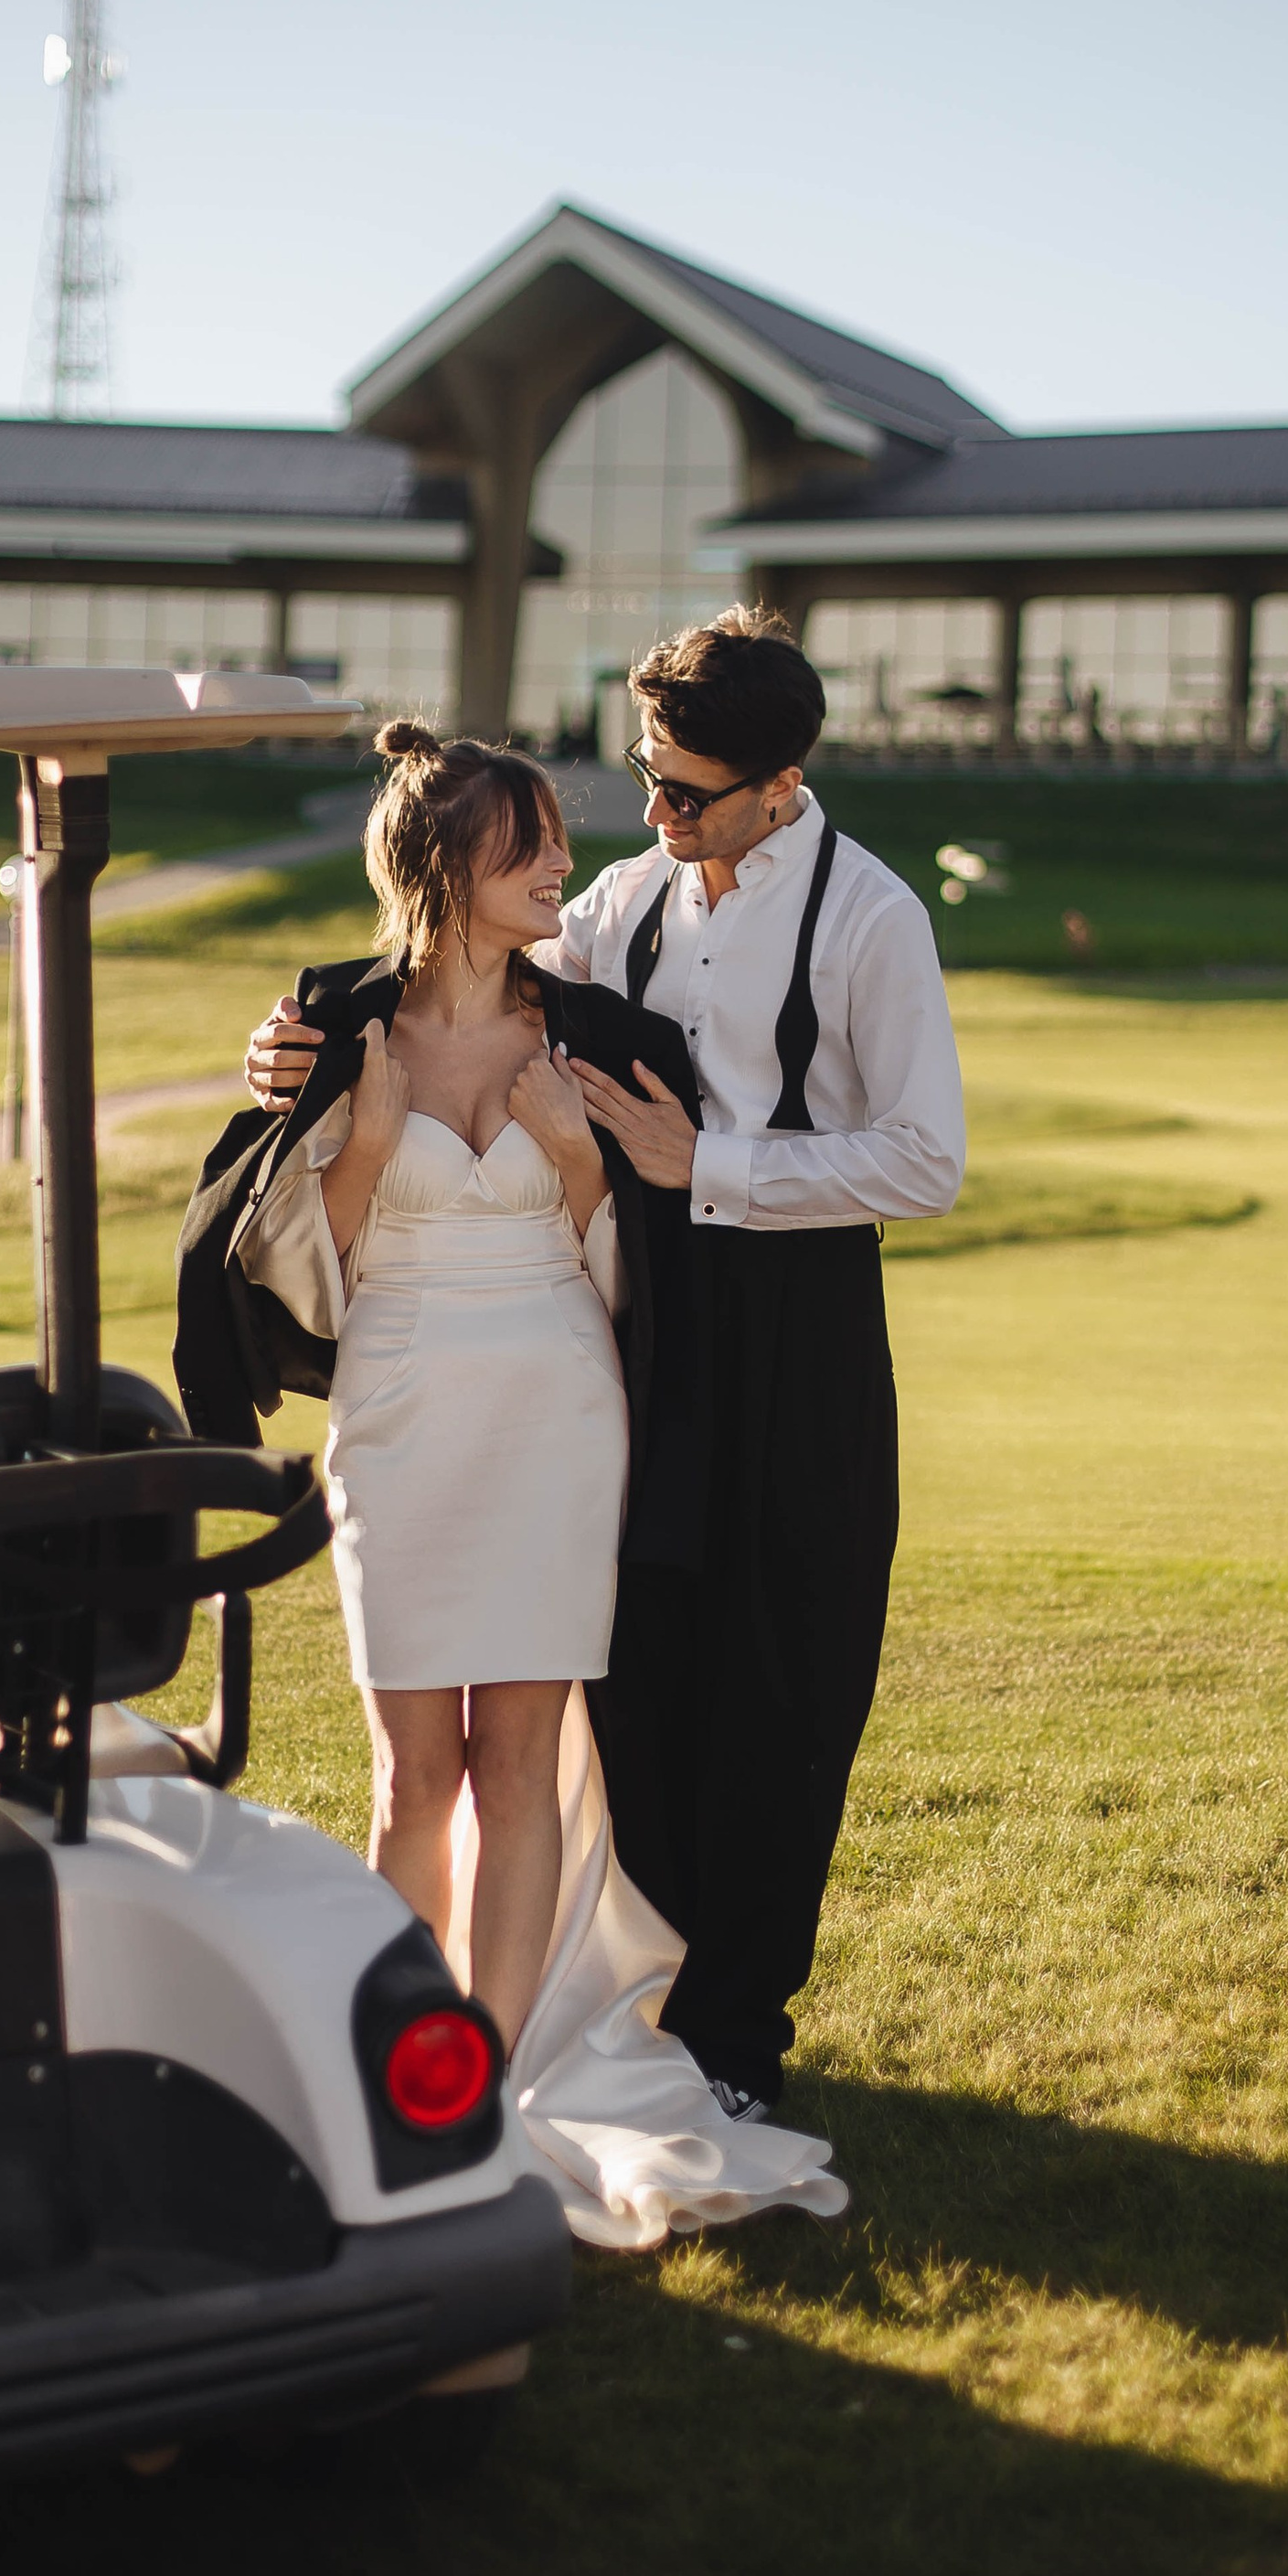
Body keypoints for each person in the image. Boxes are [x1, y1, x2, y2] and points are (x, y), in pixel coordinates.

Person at [245, 611, 964, 2121]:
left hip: (795, 1331)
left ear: (783, 781)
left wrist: (716, 1164)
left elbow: (925, 1160)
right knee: (643, 1690)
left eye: (687, 791)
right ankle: (636, 2009)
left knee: (782, 1684)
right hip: (639, 1328)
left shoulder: (870, 918)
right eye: (647, 776)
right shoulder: (627, 901)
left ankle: (740, 2040)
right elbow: (458, 952)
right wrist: (293, 1042)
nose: (653, 814)